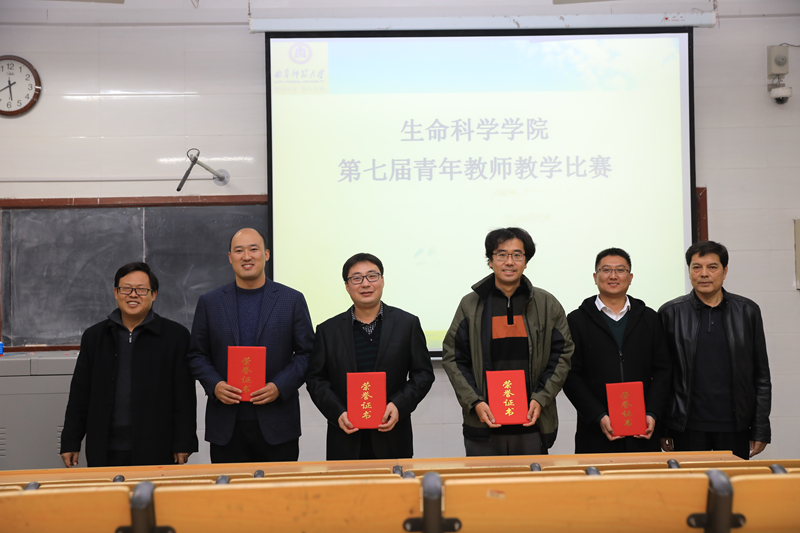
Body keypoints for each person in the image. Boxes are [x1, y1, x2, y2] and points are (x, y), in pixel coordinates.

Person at [442, 227, 573, 456]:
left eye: (517, 255)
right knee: (485, 481)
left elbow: (562, 355)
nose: (509, 262)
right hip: (484, 424)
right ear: (490, 261)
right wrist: (475, 402)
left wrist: (540, 398)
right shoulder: (470, 304)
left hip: (532, 424)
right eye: (501, 254)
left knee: (531, 481)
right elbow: (453, 357)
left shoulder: (547, 304)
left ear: (526, 262)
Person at [187, 228, 314, 463]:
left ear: (266, 254)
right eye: (239, 251)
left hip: (278, 422)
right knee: (228, 487)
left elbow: (307, 353)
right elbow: (197, 354)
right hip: (226, 425)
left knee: (278, 487)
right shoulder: (210, 302)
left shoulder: (291, 300)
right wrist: (215, 385)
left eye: (253, 249)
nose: (247, 256)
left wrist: (279, 386)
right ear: (230, 257)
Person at [60, 262, 197, 467]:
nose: (133, 295)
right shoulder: (95, 337)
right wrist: (71, 440)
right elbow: (80, 394)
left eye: (141, 289)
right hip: (104, 446)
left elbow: (184, 396)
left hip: (157, 445)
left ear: (154, 294)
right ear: (116, 292)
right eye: (126, 289)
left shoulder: (176, 336)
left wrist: (183, 442)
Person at [306, 253, 435, 460]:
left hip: (393, 438)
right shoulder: (328, 330)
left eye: (372, 276)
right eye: (356, 278)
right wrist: (337, 412)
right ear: (347, 286)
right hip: (345, 440)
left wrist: (398, 405)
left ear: (382, 280)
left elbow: (423, 374)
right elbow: (316, 379)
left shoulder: (407, 324)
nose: (365, 284)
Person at [659, 241, 771, 460]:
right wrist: (664, 427)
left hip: (735, 426)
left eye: (712, 267)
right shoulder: (670, 313)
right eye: (696, 267)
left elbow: (761, 376)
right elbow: (663, 376)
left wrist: (761, 428)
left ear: (725, 271)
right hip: (687, 426)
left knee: (734, 482)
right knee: (689, 482)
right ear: (689, 271)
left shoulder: (747, 311)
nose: (704, 274)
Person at [563, 248, 672, 453]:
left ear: (630, 277)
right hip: (595, 431)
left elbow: (663, 371)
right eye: (606, 270)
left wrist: (652, 412)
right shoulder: (576, 320)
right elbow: (570, 375)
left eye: (620, 270)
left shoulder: (649, 318)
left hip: (643, 429)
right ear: (595, 277)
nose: (613, 276)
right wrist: (597, 415)